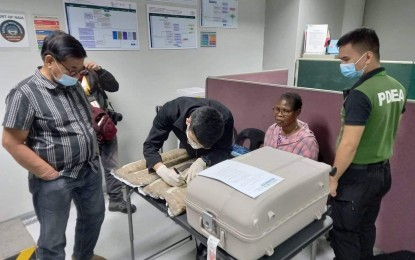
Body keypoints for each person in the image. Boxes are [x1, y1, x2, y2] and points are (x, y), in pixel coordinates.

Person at [2, 31, 105, 260]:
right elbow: (11, 142)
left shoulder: (73, 85)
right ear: (49, 61)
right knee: (53, 238)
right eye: (73, 70)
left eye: (81, 71)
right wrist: (48, 173)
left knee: (93, 220)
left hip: (89, 170)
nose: (78, 76)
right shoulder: (25, 94)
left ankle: (83, 257)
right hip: (55, 178)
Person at [329, 28, 406, 260]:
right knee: (365, 226)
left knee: (344, 233)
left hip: (356, 178)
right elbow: (393, 125)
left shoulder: (360, 94)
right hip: (382, 173)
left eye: (346, 59)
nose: (343, 65)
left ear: (368, 56)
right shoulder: (397, 87)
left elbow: (349, 145)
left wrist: (333, 177)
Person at [81, 61, 137, 214]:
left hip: (105, 125)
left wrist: (100, 71)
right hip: (84, 131)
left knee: (111, 165)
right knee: (88, 169)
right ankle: (90, 206)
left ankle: (116, 200)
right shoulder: (62, 80)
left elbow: (114, 86)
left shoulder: (90, 73)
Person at [143, 96, 234, 185]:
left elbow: (225, 150)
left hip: (212, 154)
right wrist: (162, 170)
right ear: (188, 121)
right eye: (195, 142)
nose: (197, 146)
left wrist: (204, 160)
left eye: (202, 145)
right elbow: (150, 145)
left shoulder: (226, 117)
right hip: (187, 147)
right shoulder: (170, 111)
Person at [264, 92, 319, 160]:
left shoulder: (307, 141)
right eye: (277, 109)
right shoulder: (272, 129)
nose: (279, 114)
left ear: (297, 112)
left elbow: (309, 169)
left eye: (285, 111)